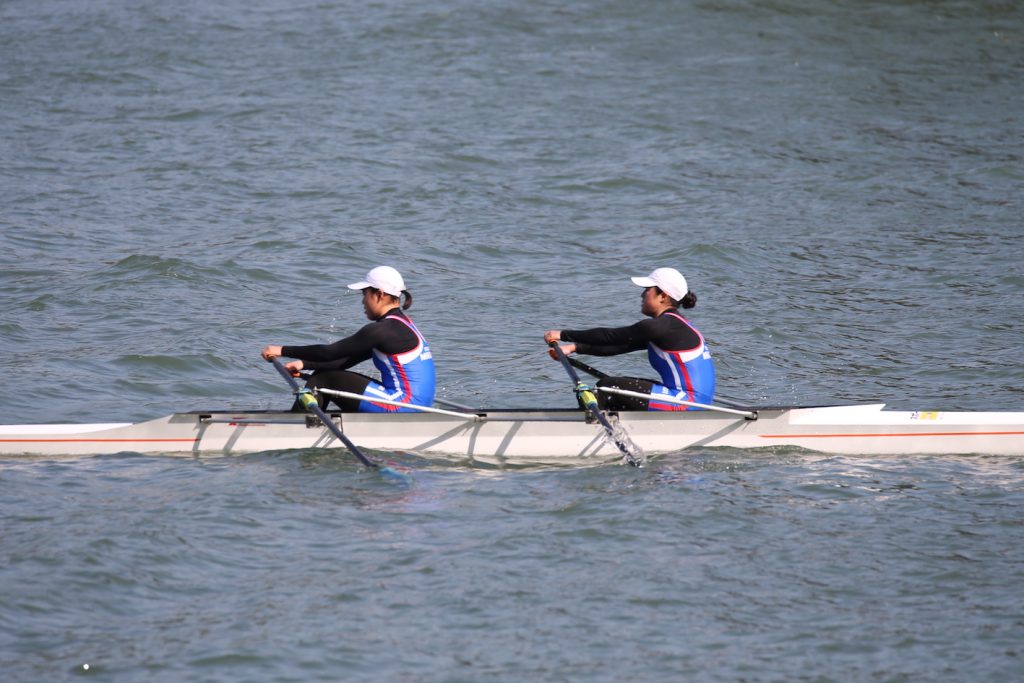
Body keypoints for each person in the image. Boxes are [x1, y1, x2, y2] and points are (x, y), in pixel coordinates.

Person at [261, 265, 436, 413]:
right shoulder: (402, 325)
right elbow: (344, 360)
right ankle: (308, 421)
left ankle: (298, 431)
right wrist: (304, 364)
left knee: (324, 381)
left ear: (380, 294)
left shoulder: (382, 330)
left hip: (403, 405)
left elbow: (329, 352)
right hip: (419, 406)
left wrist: (282, 350)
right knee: (324, 376)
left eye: (364, 294)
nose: (362, 301)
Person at [544, 267, 715, 411]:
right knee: (614, 387)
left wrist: (562, 335)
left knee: (605, 388)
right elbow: (617, 347)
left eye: (647, 290)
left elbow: (610, 337)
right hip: (692, 401)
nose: (642, 295)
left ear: (663, 296)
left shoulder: (658, 326)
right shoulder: (674, 326)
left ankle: (585, 432)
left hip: (686, 403)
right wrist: (574, 348)